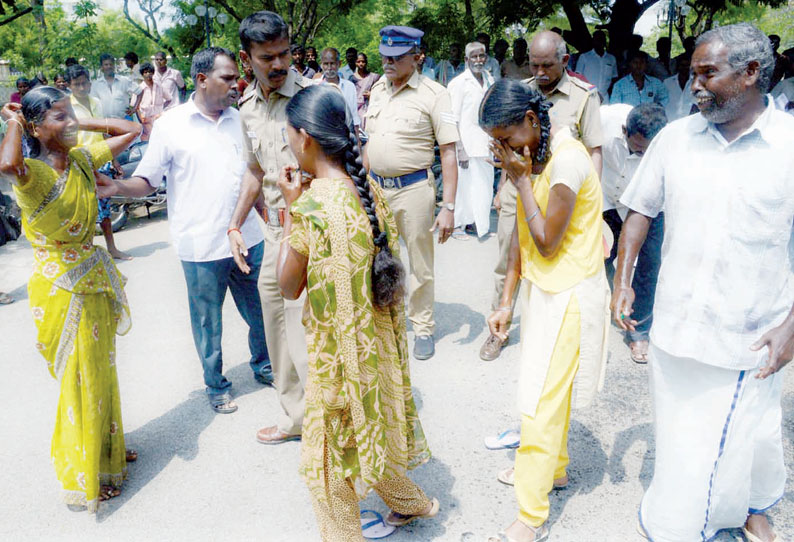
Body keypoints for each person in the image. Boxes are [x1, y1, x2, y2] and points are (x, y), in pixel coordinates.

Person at [613, 23, 792, 542]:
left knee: (730, 435)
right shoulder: (675, 139)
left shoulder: (789, 145)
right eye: (693, 74)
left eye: (707, 73)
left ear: (752, 72)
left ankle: (684, 526)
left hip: (751, 333)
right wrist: (622, 280)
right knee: (685, 434)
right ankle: (751, 503)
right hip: (676, 325)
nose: (693, 85)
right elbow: (640, 211)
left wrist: (792, 325)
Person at [275, 82, 437, 542]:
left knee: (327, 459)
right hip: (374, 344)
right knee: (374, 425)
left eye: (288, 134)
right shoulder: (367, 194)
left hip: (337, 355)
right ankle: (411, 503)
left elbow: (289, 285)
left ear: (304, 137)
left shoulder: (312, 206)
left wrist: (290, 211)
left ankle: (343, 536)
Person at [98, 47, 273, 414]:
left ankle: (265, 364)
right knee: (208, 321)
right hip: (201, 245)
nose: (235, 85)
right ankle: (216, 384)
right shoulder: (170, 125)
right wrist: (118, 188)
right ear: (201, 79)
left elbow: (251, 175)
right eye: (227, 78)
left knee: (261, 309)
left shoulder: (240, 119)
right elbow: (148, 180)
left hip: (248, 238)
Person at [0, 86, 140, 511]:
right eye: (58, 117)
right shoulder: (35, 173)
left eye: (70, 114)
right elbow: (7, 163)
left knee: (101, 367)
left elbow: (132, 128)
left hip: (92, 277)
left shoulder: (81, 158)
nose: (71, 123)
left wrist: (81, 123)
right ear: (37, 128)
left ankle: (107, 446)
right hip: (60, 286)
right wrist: (12, 122)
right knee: (78, 378)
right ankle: (86, 468)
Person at [481, 79, 609, 542]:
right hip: (545, 290)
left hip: (570, 294)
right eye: (494, 142)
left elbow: (548, 242)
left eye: (504, 138)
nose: (501, 149)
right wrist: (506, 301)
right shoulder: (532, 154)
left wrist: (518, 179)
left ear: (532, 122)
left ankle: (529, 518)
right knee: (551, 393)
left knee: (539, 402)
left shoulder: (567, 162)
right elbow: (521, 230)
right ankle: (555, 469)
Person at [480, 30, 604, 361]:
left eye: (546, 65)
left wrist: (592, 207)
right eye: (534, 65)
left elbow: (594, 153)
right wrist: (504, 185)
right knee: (511, 251)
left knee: (553, 259)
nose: (539, 72)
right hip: (520, 183)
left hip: (559, 191)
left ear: (564, 61)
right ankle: (501, 320)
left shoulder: (583, 98)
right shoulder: (521, 94)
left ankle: (565, 334)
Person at [228, 11, 310, 444]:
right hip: (277, 232)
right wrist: (235, 224)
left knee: (316, 330)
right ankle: (295, 418)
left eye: (284, 54)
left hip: (316, 231)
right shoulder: (247, 108)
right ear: (248, 60)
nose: (278, 65)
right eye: (267, 58)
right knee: (277, 328)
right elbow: (254, 171)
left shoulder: (314, 98)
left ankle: (333, 424)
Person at [365, 25, 460, 360]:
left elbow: (448, 152)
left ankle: (422, 327)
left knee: (420, 264)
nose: (387, 62)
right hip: (377, 188)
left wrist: (448, 206)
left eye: (396, 57)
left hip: (414, 190)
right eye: (384, 56)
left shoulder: (434, 94)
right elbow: (369, 141)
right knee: (379, 260)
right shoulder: (378, 88)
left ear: (417, 58)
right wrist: (363, 185)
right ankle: (388, 322)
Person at [600, 102, 667, 363]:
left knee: (648, 267)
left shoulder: (667, 145)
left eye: (646, 150)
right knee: (598, 258)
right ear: (624, 130)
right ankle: (606, 305)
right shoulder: (602, 120)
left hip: (647, 206)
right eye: (636, 147)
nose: (640, 153)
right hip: (605, 199)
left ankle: (639, 331)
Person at [67, 64, 132, 261]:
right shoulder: (65, 106)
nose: (81, 87)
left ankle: (112, 248)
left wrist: (114, 160)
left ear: (89, 82)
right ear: (69, 85)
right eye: (76, 84)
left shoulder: (96, 102)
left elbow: (104, 133)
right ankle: (86, 253)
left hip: (100, 159)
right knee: (83, 210)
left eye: (84, 83)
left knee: (104, 209)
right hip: (77, 160)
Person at [448, 41, 494, 239]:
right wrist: (460, 149)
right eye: (474, 56)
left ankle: (477, 224)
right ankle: (458, 225)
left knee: (483, 185)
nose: (478, 60)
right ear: (466, 60)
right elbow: (453, 118)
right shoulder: (458, 83)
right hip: (465, 143)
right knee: (464, 187)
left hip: (486, 143)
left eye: (481, 56)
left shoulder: (490, 79)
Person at [317, 48, 361, 128]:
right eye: (326, 64)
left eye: (332, 64)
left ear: (339, 64)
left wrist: (357, 139)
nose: (329, 68)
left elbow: (354, 118)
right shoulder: (315, 87)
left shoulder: (349, 87)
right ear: (321, 65)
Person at [130, 62, 174, 141]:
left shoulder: (159, 86)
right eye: (145, 72)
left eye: (150, 72)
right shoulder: (139, 88)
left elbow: (169, 99)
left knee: (160, 138)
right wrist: (141, 119)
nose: (148, 74)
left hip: (158, 117)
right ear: (142, 74)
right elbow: (135, 106)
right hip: (145, 118)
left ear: (153, 73)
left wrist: (161, 110)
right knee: (147, 137)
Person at [575, 30, 618, 102]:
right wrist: (593, 91)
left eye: (602, 39)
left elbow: (614, 79)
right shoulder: (584, 57)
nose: (600, 41)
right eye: (597, 39)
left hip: (605, 99)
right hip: (587, 96)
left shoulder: (611, 59)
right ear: (593, 41)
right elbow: (577, 78)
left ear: (605, 41)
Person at [91, 53, 137, 120]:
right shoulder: (96, 85)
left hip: (124, 120)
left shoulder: (124, 80)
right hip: (104, 122)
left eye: (111, 64)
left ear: (114, 66)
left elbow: (140, 91)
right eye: (106, 65)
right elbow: (93, 103)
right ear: (101, 67)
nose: (109, 66)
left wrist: (134, 108)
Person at [662, 54, 695, 121]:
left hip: (690, 121)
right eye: (682, 65)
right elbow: (662, 102)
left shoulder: (695, 83)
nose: (685, 68)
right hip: (670, 120)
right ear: (678, 66)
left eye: (687, 65)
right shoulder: (667, 82)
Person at [351, 52, 380, 126]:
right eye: (358, 62)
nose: (361, 64)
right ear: (355, 63)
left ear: (366, 62)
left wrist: (372, 95)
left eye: (363, 61)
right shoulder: (351, 79)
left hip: (370, 109)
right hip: (355, 110)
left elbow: (380, 94)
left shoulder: (374, 77)